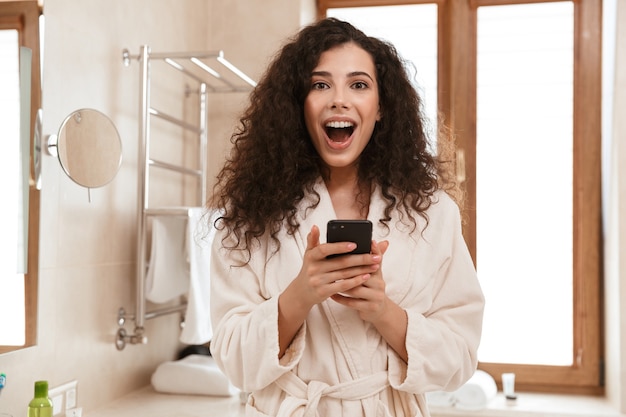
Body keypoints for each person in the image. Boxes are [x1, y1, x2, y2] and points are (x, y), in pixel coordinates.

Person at [209, 17, 484, 417]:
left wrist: (383, 312)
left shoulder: (432, 213)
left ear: (381, 107)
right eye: (320, 85)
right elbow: (233, 360)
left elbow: (461, 356)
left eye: (358, 84)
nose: (339, 99)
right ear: (297, 104)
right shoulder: (251, 216)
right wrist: (299, 296)